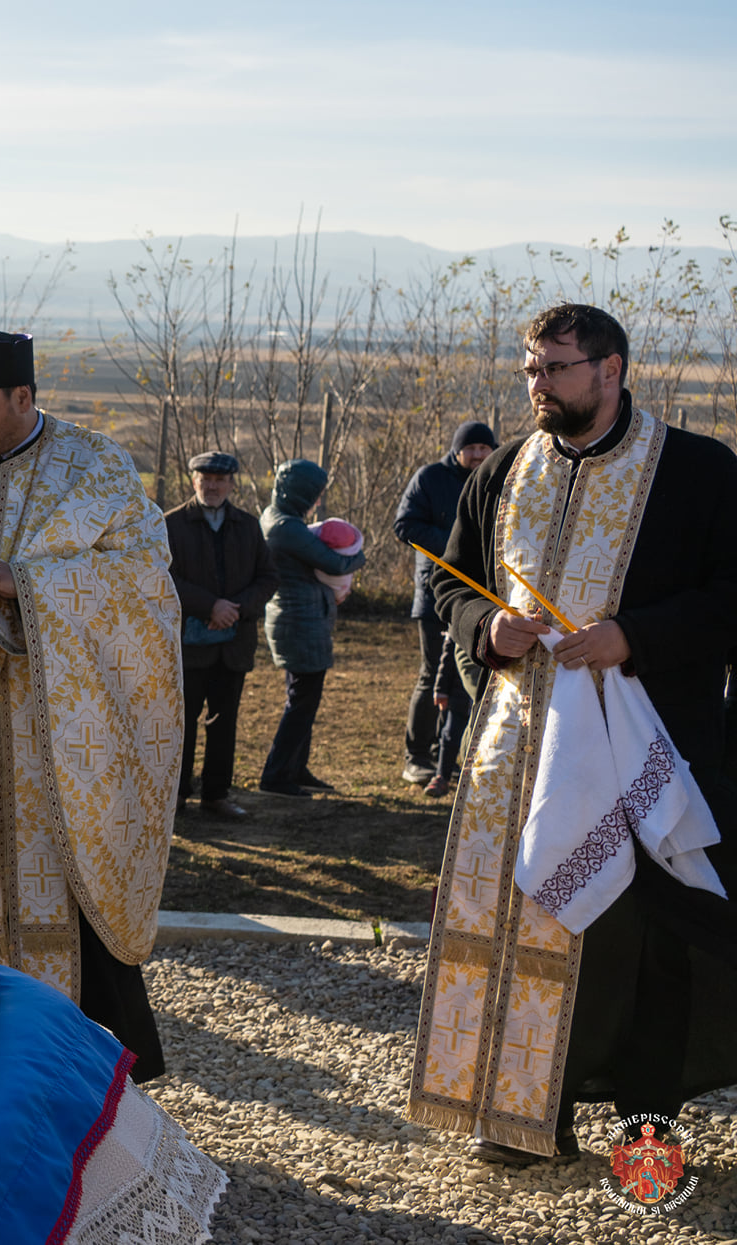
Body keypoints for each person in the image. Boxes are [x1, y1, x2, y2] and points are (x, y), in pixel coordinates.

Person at [409, 303, 737, 1165]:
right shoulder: (504, 468)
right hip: (517, 751)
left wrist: (635, 635)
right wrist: (487, 626)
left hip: (651, 748)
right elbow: (452, 583)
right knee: (527, 920)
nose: (539, 385)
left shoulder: (699, 470)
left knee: (647, 944)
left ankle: (646, 1135)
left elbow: (730, 595)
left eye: (556, 368)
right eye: (531, 369)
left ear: (611, 369)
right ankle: (526, 1118)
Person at [0, 331, 181, 1081]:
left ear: (23, 397)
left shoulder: (96, 469)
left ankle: (92, 1073)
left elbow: (144, 580)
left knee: (72, 886)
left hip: (61, 736)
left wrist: (28, 585)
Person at [164, 451, 277, 821]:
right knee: (181, 721)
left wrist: (235, 610)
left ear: (231, 484)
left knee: (224, 720)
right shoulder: (171, 524)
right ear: (193, 480)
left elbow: (267, 577)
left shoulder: (247, 526)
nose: (212, 486)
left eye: (219, 480)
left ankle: (216, 794)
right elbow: (162, 577)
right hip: (186, 643)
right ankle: (176, 794)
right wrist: (210, 606)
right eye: (205, 479)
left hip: (233, 643)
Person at [392, 421, 497, 789]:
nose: (478, 455)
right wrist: (457, 544)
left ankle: (445, 757)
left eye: (484, 448)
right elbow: (405, 525)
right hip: (436, 594)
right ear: (457, 450)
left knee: (464, 681)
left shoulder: (496, 477)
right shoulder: (430, 478)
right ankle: (416, 757)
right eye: (472, 448)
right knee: (432, 675)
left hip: (480, 598)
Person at [255, 459, 366, 797]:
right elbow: (335, 562)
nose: (317, 501)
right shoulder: (286, 527)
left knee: (303, 698)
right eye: (314, 494)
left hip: (299, 619)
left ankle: (295, 769)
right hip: (299, 622)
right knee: (302, 701)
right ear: (299, 493)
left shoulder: (277, 518)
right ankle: (276, 775)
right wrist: (359, 557)